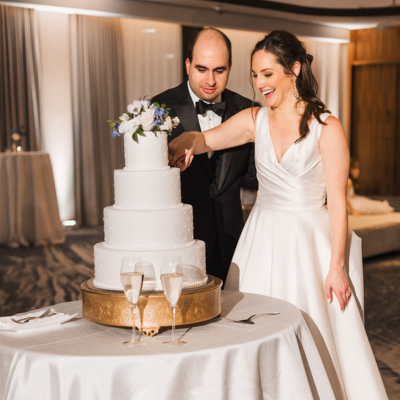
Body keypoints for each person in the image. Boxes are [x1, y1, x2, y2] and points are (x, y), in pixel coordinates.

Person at [169, 30, 388, 399]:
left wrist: (337, 265)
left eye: (267, 74)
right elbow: (207, 139)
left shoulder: (327, 128)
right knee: (255, 330)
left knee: (314, 329)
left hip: (309, 246)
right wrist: (179, 143)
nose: (258, 84)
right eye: (254, 75)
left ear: (294, 69)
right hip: (262, 240)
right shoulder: (254, 120)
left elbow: (337, 201)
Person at [151, 28, 257, 283]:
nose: (210, 80)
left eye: (219, 70)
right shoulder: (157, 109)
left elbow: (255, 179)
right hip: (178, 240)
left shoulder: (248, 110)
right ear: (187, 65)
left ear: (230, 67)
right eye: (202, 69)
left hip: (233, 241)